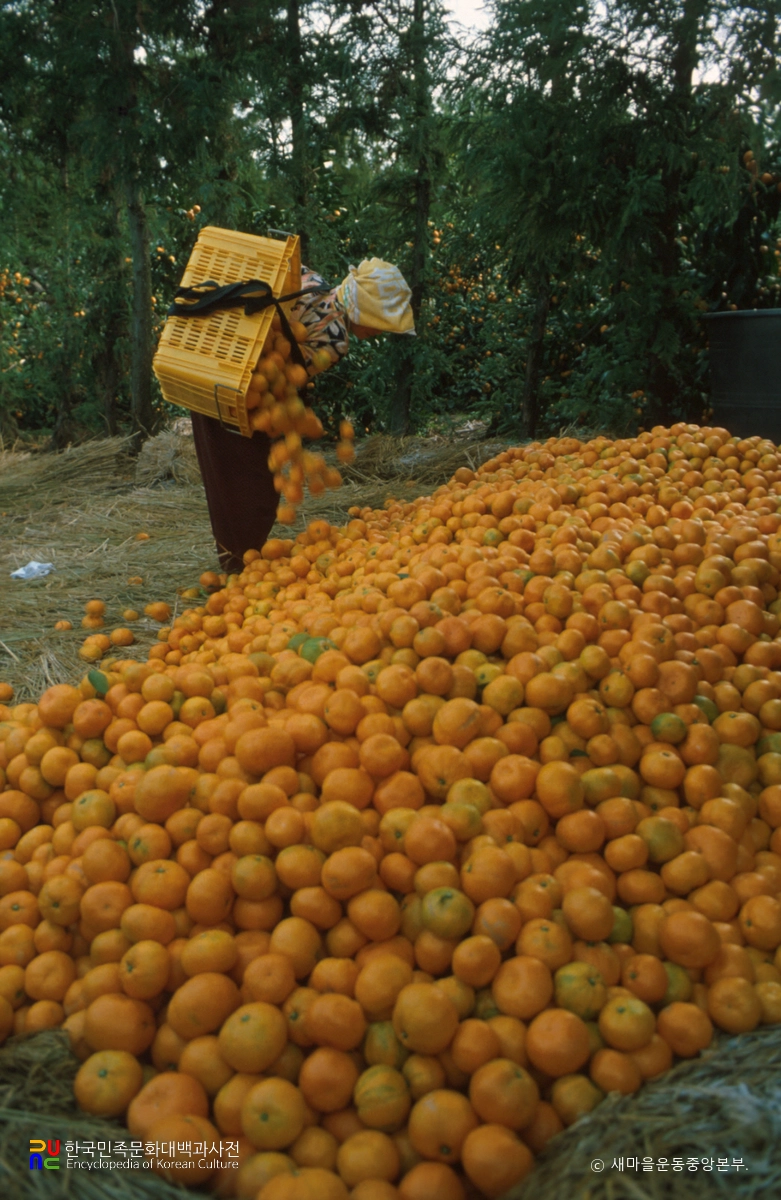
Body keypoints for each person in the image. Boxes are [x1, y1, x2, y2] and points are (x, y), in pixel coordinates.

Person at [190, 258, 414, 575]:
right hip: (240, 393)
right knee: (253, 487)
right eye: (381, 322)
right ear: (367, 311)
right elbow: (284, 380)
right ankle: (240, 569)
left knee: (223, 477)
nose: (378, 331)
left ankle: (236, 561)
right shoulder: (336, 339)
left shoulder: (309, 278)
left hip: (209, 367)